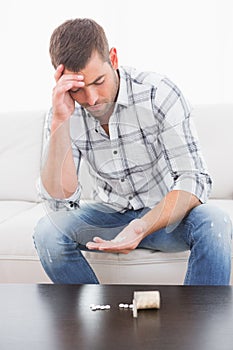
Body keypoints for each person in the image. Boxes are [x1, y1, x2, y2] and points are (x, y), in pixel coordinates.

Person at [34, 18, 232, 285]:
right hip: (107, 215)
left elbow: (193, 179)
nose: (91, 99)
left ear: (113, 58)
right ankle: (99, 319)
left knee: (215, 222)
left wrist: (141, 226)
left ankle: (195, 326)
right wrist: (60, 122)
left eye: (99, 81)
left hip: (165, 217)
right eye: (79, 89)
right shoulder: (64, 112)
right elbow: (59, 204)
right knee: (47, 232)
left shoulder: (157, 93)